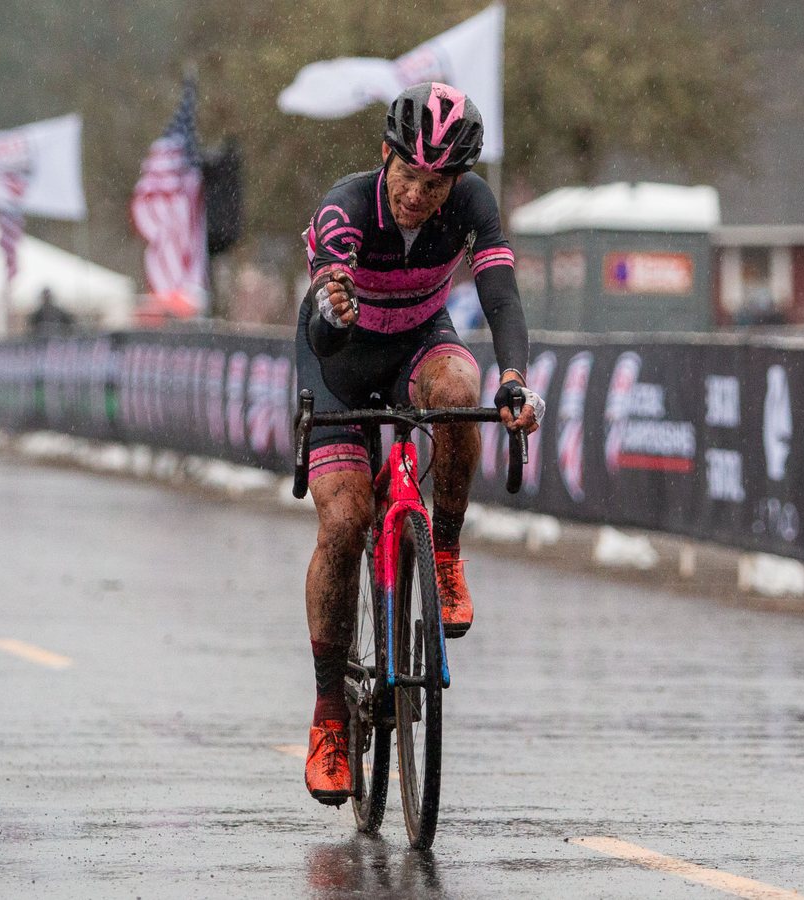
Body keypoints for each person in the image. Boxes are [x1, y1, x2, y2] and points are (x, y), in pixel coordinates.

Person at [296, 82, 544, 805]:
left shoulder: (473, 207)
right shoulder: (346, 207)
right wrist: (334, 305)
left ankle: (444, 553)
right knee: (343, 523)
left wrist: (517, 379)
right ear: (386, 157)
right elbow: (321, 330)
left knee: (460, 394)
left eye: (434, 184)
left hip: (419, 345)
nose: (415, 194)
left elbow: (500, 298)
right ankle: (329, 712)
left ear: (456, 182)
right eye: (407, 175)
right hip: (340, 365)